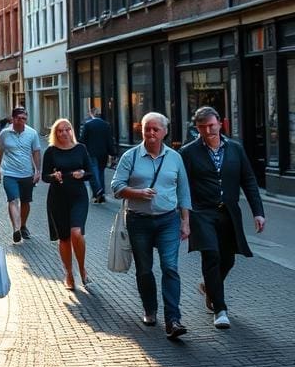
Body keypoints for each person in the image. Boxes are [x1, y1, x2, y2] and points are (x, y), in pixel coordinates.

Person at [180, 106, 266, 330]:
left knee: (228, 259)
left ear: (220, 123)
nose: (208, 130)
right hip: (202, 212)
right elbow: (183, 187)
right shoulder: (188, 153)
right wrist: (184, 218)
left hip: (228, 213)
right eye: (202, 127)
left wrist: (258, 212)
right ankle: (220, 309)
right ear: (197, 128)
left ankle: (209, 287)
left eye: (211, 125)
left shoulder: (236, 150)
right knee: (211, 255)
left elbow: (248, 180)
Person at [111, 112, 192, 340]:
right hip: (138, 221)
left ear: (165, 132)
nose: (151, 133)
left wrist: (185, 221)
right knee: (145, 269)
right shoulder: (131, 156)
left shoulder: (175, 158)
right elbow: (116, 186)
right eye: (147, 129)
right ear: (142, 131)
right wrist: (137, 193)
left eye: (156, 129)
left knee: (170, 267)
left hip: (168, 220)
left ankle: (173, 320)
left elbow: (183, 191)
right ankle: (149, 308)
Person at [41, 118, 90, 290]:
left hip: (78, 197)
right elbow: (44, 177)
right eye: (60, 130)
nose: (64, 133)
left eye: (67, 129)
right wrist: (54, 176)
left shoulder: (80, 148)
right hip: (57, 198)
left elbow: (90, 172)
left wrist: (82, 173)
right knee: (64, 238)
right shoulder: (51, 151)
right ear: (55, 133)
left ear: (71, 131)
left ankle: (82, 269)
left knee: (76, 233)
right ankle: (69, 273)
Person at [0, 107, 42, 243]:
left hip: (27, 174)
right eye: (19, 118)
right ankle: (16, 229)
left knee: (26, 202)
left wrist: (38, 171)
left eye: (24, 118)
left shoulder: (32, 133)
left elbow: (36, 152)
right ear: (13, 119)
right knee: (13, 200)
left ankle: (23, 225)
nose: (21, 121)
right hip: (9, 173)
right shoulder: (4, 134)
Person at [79, 107, 114, 203]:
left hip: (91, 153)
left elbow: (82, 140)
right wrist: (112, 153)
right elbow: (109, 140)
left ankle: (98, 190)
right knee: (101, 172)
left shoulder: (88, 125)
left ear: (91, 113)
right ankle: (101, 194)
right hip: (103, 153)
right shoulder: (106, 125)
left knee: (94, 172)